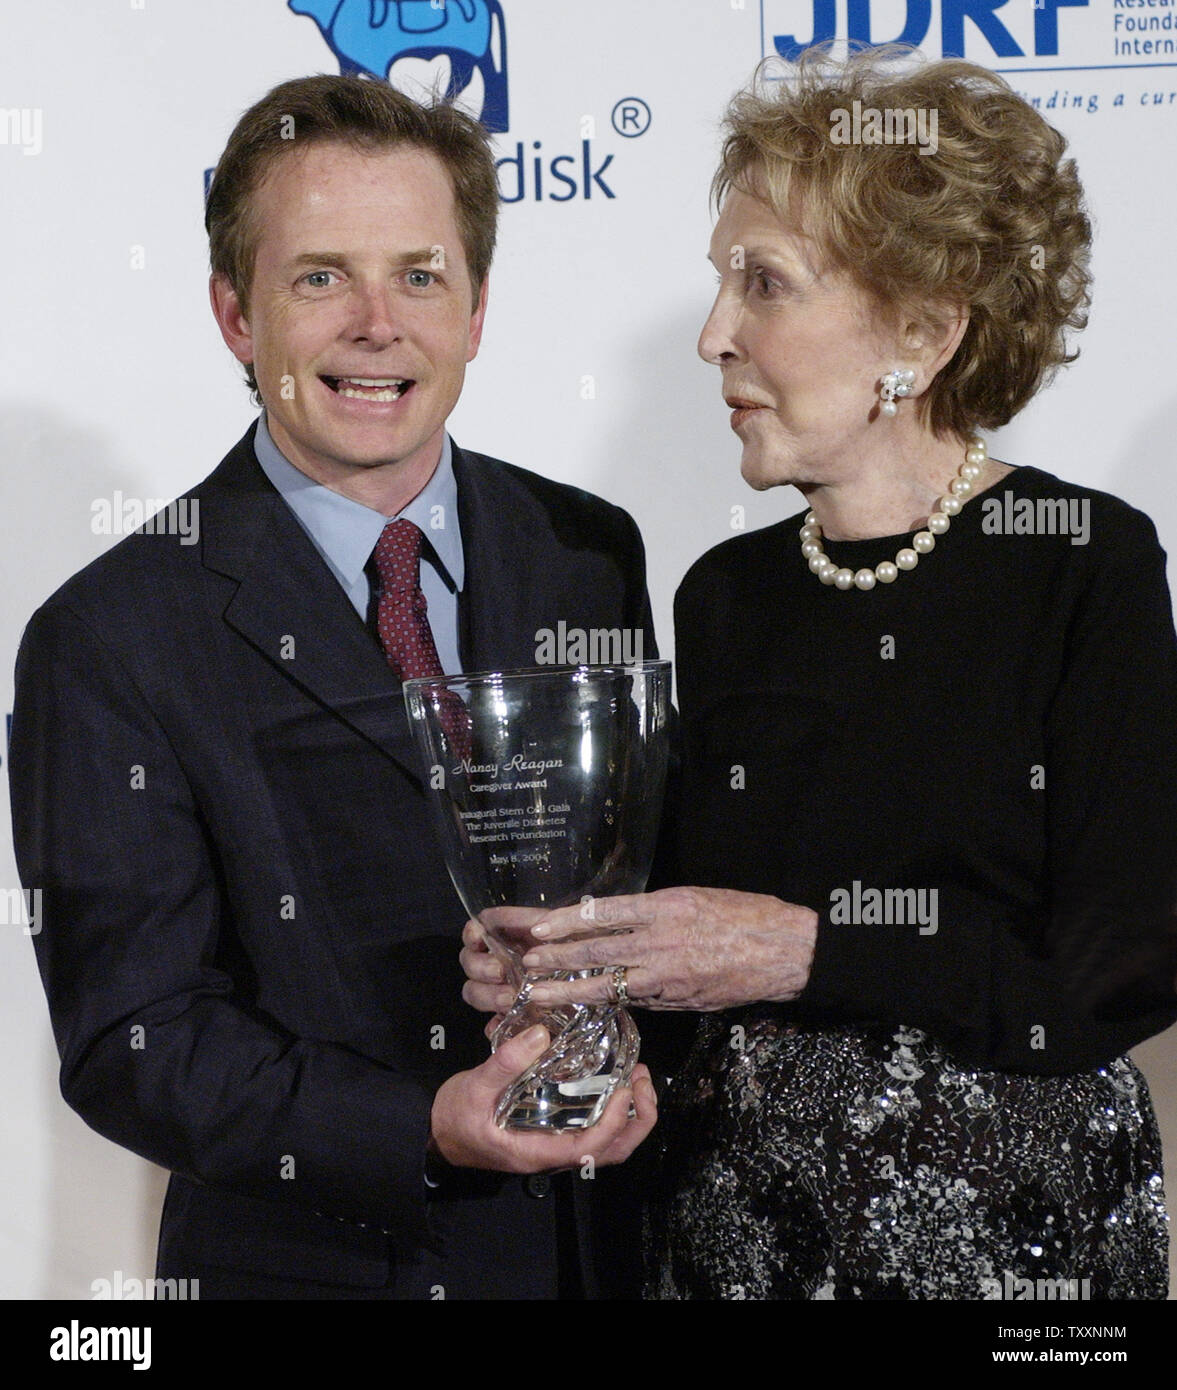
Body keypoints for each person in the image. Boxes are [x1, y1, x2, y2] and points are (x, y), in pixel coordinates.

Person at [461, 51, 1177, 1299]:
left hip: (1008, 1242)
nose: (712, 334)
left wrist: (810, 950)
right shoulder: (725, 597)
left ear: (922, 330)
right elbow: (695, 976)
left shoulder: (1081, 562)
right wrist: (585, 984)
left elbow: (1122, 969)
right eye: (720, 283)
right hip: (736, 1242)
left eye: (765, 285)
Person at [8, 74, 657, 1301]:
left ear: (476, 310)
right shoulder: (109, 632)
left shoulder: (588, 549)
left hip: (595, 1261)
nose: (377, 323)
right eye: (320, 277)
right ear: (235, 316)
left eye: (419, 273)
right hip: (315, 1272)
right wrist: (424, 1124)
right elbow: (132, 1040)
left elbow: (635, 884)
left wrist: (632, 1034)